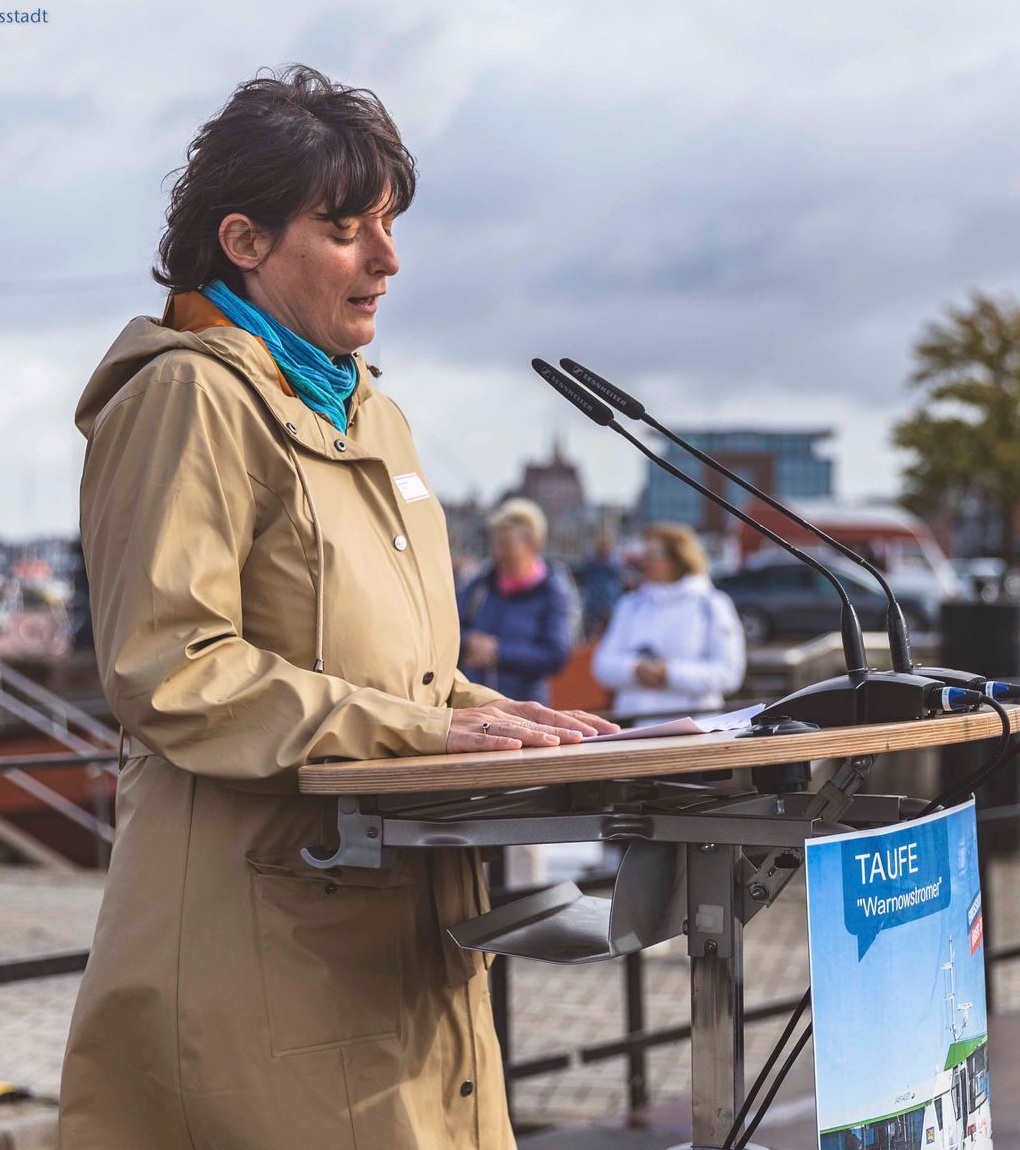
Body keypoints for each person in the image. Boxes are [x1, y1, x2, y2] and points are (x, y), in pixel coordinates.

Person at [59, 64, 616, 1150]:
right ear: (245, 241)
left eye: (390, 224)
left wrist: (533, 728)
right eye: (347, 226)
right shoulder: (190, 395)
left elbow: (409, 675)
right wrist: (432, 728)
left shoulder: (377, 415)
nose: (389, 258)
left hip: (398, 930)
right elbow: (168, 664)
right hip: (262, 944)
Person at [592, 523, 745, 724]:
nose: (644, 563)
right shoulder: (630, 604)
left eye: (652, 556)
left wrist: (669, 673)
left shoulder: (712, 604)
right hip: (636, 731)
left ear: (677, 559)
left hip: (695, 732)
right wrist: (635, 669)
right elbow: (602, 665)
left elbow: (729, 673)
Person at [457, 498, 579, 705]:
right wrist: (468, 643)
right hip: (476, 708)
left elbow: (556, 655)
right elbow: (450, 631)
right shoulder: (479, 586)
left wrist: (499, 652)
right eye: (496, 542)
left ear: (532, 544)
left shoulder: (553, 592)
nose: (499, 553)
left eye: (506, 544)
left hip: (527, 711)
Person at [572, 529, 626, 637]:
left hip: (609, 604)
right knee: (588, 634)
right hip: (592, 604)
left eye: (605, 545)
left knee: (611, 634)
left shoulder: (615, 561)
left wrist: (604, 561)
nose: (602, 548)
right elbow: (582, 572)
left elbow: (618, 573)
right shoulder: (591, 561)